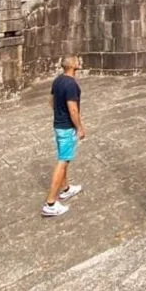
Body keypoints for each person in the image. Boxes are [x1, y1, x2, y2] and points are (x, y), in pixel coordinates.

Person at [41, 55, 86, 217]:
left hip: (58, 125)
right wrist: (79, 127)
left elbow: (51, 101)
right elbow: (73, 109)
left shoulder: (58, 80)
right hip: (67, 127)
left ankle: (66, 189)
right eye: (77, 60)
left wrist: (59, 114)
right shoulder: (71, 84)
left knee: (63, 158)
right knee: (63, 161)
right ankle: (50, 203)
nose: (79, 62)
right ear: (72, 66)